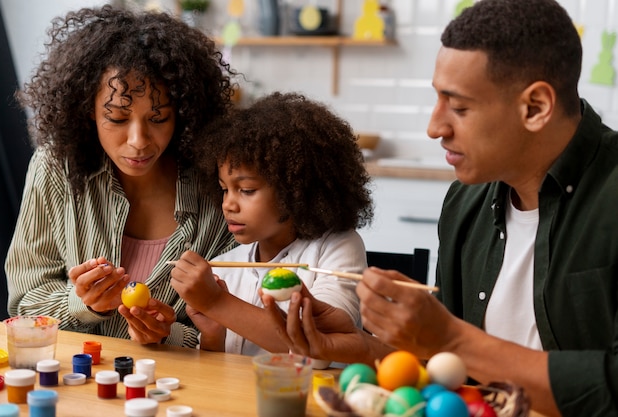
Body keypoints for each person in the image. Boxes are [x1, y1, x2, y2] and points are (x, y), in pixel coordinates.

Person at [261, 0, 618, 416]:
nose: (435, 127)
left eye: (460, 107)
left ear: (535, 107)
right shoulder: (466, 202)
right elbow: (445, 368)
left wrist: (450, 337)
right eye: (437, 100)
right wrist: (360, 343)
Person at [5, 5, 236, 348]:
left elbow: (232, 332)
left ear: (184, 114)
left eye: (158, 119)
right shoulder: (55, 168)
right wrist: (82, 303)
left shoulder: (219, 188)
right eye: (116, 118)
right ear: (88, 110)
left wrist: (168, 335)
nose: (138, 141)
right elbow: (24, 306)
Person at [169, 92, 374, 360]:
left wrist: (216, 302)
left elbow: (322, 342)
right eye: (224, 190)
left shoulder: (336, 248)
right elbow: (217, 372)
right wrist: (213, 335)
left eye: (246, 190)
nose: (228, 204)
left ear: (295, 189)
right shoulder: (223, 267)